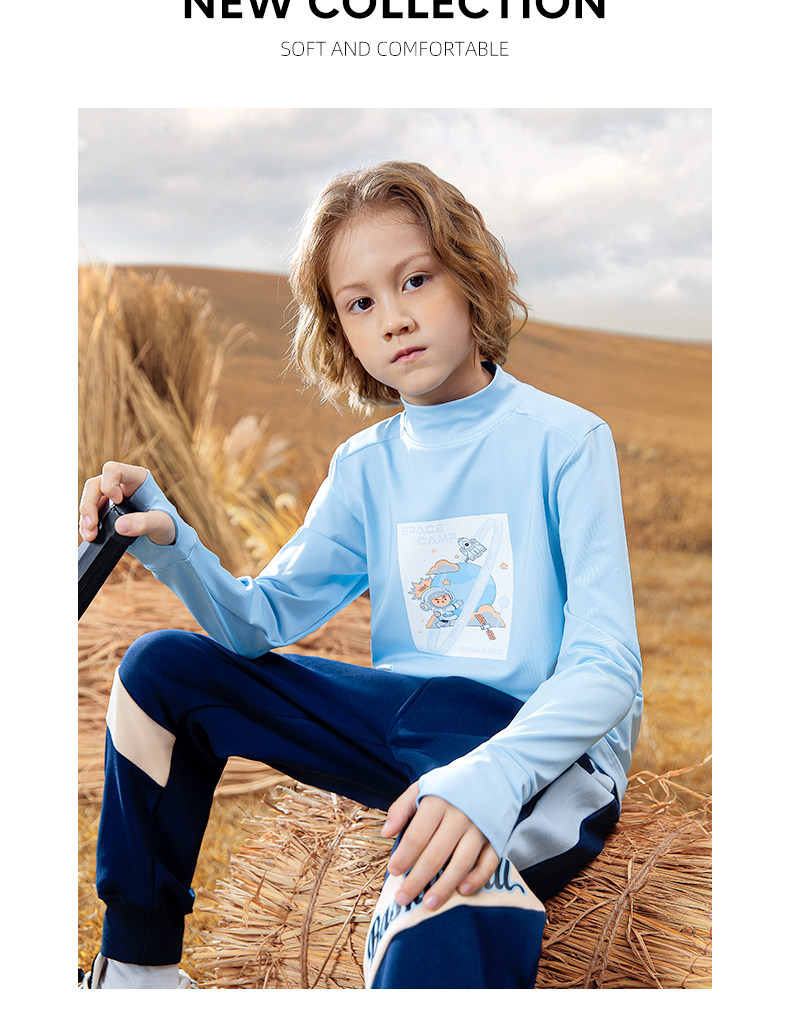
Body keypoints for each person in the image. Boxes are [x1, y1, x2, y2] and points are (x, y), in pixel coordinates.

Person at [78, 161, 642, 989]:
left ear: (470, 275)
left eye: (415, 279)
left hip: (538, 747)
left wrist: (492, 775)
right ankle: (137, 973)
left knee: (438, 897)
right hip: (404, 725)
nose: (394, 318)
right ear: (340, 329)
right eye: (360, 302)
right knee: (162, 668)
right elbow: (259, 621)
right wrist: (173, 543)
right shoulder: (364, 465)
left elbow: (607, 666)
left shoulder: (565, 440)